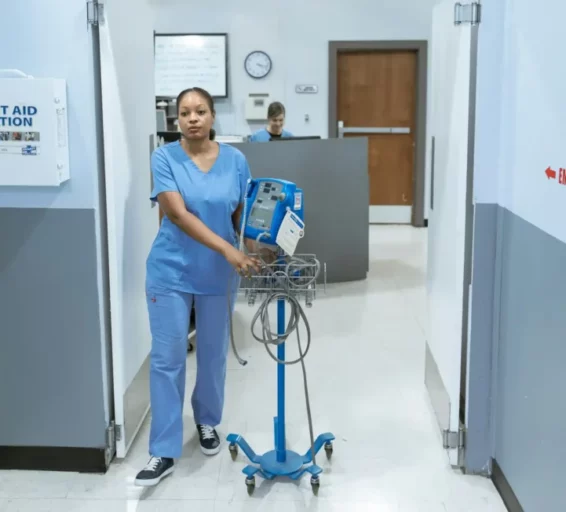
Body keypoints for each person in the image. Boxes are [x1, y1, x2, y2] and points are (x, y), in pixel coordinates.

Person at [135, 86, 261, 487]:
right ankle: (163, 450)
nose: (192, 118)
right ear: (176, 120)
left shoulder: (236, 161)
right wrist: (230, 250)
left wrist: (260, 244)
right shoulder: (164, 157)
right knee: (168, 358)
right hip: (171, 271)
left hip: (217, 275)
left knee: (211, 355)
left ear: (212, 117)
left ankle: (207, 422)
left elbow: (243, 212)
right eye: (185, 112)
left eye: (200, 111)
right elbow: (176, 213)